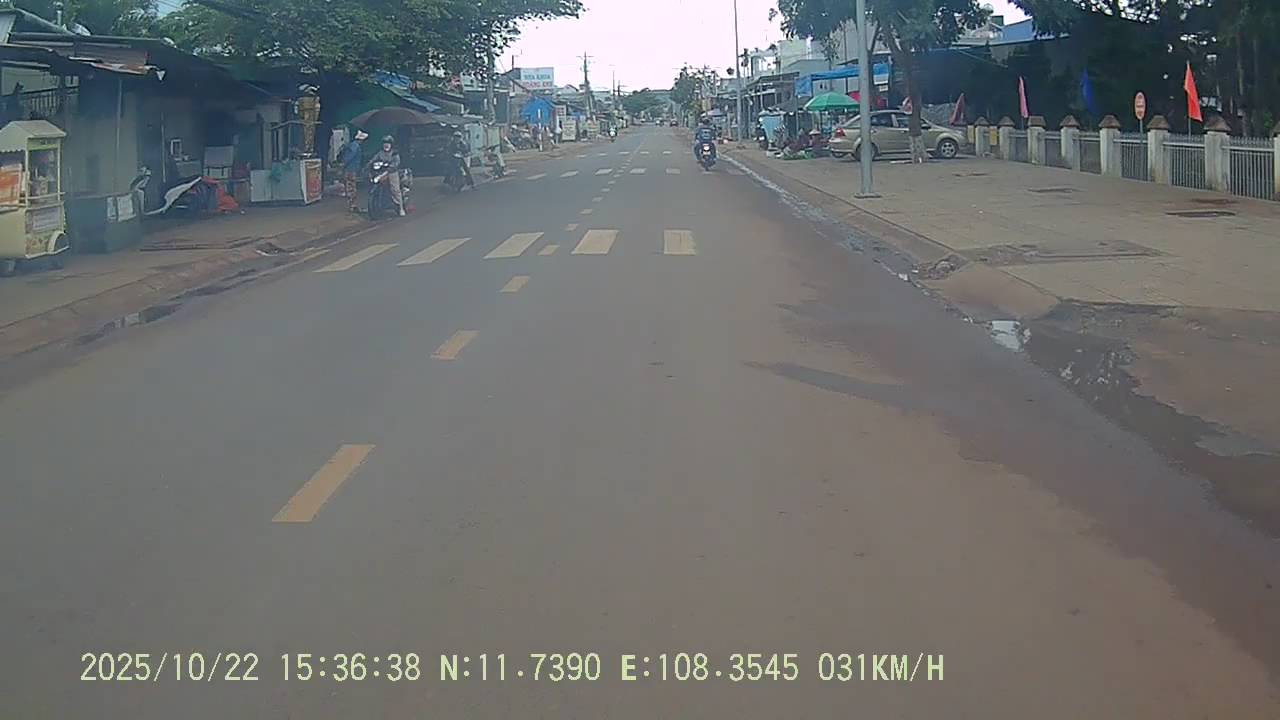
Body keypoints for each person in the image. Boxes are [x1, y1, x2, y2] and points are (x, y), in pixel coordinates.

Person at [366, 135, 404, 216]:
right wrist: (368, 165)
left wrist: (391, 168)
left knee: (395, 189)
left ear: (391, 145)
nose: (386, 145)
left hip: (392, 172)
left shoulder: (394, 153)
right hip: (381, 173)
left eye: (388, 143)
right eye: (384, 143)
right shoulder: (380, 153)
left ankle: (401, 208)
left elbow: (396, 163)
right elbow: (373, 160)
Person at [336, 129, 367, 212]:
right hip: (351, 170)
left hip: (351, 169)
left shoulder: (353, 145)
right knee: (351, 187)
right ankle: (352, 205)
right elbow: (349, 157)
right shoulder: (355, 146)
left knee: (351, 186)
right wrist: (343, 166)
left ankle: (352, 204)